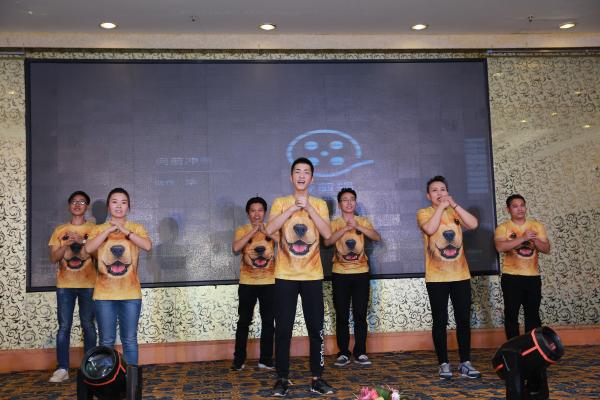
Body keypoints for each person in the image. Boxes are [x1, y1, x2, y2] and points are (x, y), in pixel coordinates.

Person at [266, 157, 334, 396]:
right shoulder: (281, 202)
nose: (302, 175)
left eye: (306, 172)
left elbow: (327, 234)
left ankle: (317, 378)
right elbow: (269, 229)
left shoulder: (320, 204)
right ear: (291, 176)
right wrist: (293, 208)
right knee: (283, 329)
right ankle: (282, 378)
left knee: (316, 329)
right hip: (285, 275)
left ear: (311, 178)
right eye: (297, 171)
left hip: (312, 275)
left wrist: (309, 208)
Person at [416, 175, 481, 380]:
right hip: (436, 277)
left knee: (463, 319)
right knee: (440, 320)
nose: (439, 193)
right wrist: (441, 208)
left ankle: (465, 363)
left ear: (448, 192)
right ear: (428, 196)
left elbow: (473, 224)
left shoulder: (455, 211)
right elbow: (430, 229)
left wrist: (453, 204)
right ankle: (443, 363)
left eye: (442, 189)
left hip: (460, 275)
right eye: (434, 190)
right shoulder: (424, 212)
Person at [85, 187, 152, 365]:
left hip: (130, 294)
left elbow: (147, 246)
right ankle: (107, 379)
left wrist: (125, 231)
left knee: (129, 339)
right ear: (108, 206)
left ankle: (131, 379)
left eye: (123, 202)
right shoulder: (98, 229)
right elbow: (89, 248)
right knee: (106, 340)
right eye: (114, 202)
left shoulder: (136, 228)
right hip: (104, 295)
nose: (119, 206)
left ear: (128, 206)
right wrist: (108, 231)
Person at [324, 188, 381, 367]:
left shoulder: (362, 221)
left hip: (361, 273)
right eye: (345, 200)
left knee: (360, 314)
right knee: (341, 314)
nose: (349, 203)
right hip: (339, 274)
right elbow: (327, 242)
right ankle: (343, 352)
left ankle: (360, 352)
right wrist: (345, 229)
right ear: (339, 204)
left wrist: (357, 226)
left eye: (352, 199)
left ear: (355, 202)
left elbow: (376, 237)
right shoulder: (334, 223)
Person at [48, 191, 97, 382]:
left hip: (89, 284)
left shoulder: (94, 229)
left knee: (88, 325)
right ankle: (62, 368)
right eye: (74, 202)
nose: (77, 205)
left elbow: (99, 254)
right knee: (64, 326)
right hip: (65, 285)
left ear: (87, 207)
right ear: (69, 205)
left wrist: (82, 241)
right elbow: (54, 258)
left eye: (82, 202)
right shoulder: (60, 230)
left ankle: (90, 366)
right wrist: (66, 243)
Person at [494, 194, 550, 340]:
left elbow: (546, 248)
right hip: (511, 277)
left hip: (533, 277)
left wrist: (534, 239)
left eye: (522, 205)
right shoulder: (503, 228)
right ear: (508, 209)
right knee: (511, 314)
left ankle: (533, 347)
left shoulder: (536, 226)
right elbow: (500, 247)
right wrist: (523, 238)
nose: (520, 209)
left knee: (533, 315)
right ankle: (514, 348)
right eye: (515, 206)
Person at [231, 196, 276, 371]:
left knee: (268, 322)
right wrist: (253, 231)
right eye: (253, 211)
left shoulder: (272, 228)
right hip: (247, 283)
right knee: (244, 321)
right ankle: (239, 359)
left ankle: (265, 359)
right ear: (248, 213)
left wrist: (266, 231)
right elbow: (236, 248)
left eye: (260, 210)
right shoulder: (242, 230)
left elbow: (284, 243)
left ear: (265, 212)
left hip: (269, 282)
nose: (256, 214)